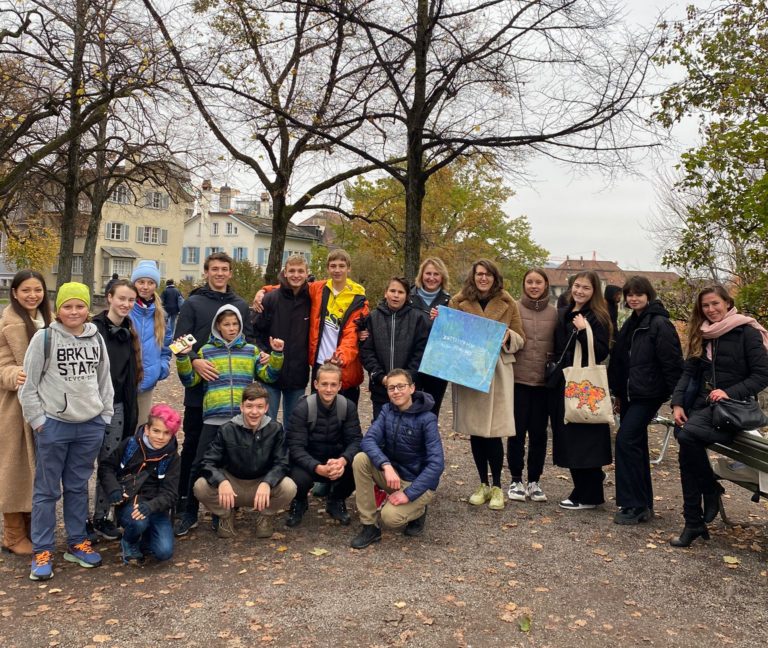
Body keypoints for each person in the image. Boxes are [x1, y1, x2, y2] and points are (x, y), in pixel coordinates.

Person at [20, 282, 114, 581]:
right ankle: (43, 550)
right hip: (54, 426)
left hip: (89, 425)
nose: (74, 311)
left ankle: (77, 541)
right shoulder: (44, 339)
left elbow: (104, 380)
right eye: (68, 306)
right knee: (46, 491)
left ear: (88, 309)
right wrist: (38, 421)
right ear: (58, 309)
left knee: (76, 487)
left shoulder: (95, 338)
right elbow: (29, 385)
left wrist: (104, 415)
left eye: (80, 306)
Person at [669, 284, 768, 547]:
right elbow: (689, 372)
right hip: (705, 408)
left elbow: (761, 375)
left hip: (734, 410)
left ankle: (709, 492)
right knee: (686, 449)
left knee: (688, 436)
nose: (711, 310)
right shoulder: (703, 333)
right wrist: (677, 403)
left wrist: (728, 392)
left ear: (727, 302)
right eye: (705, 306)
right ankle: (693, 522)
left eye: (715, 304)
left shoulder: (747, 332)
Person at [173, 305, 284, 536]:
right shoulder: (206, 351)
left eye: (235, 324)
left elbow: (268, 375)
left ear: (241, 325)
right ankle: (189, 513)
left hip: (241, 421)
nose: (231, 328)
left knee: (227, 465)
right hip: (214, 417)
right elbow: (189, 380)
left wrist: (277, 355)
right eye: (226, 324)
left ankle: (221, 514)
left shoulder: (251, 351)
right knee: (198, 465)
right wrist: (184, 358)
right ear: (218, 326)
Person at [174, 252, 255, 512]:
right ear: (206, 272)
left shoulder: (240, 305)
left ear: (230, 273)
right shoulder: (193, 303)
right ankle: (185, 502)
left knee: (232, 446)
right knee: (195, 446)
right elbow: (178, 342)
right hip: (199, 387)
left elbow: (249, 339)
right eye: (215, 269)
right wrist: (195, 359)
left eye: (224, 269)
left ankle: (229, 502)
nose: (220, 273)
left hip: (228, 391)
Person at [449, 259, 525, 511]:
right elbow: (451, 334)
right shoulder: (458, 302)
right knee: (475, 431)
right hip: (470, 371)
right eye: (479, 274)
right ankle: (482, 482)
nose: (483, 278)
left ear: (495, 278)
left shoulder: (508, 302)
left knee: (492, 433)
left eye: (488, 274)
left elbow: (520, 337)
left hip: (496, 371)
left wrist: (508, 337)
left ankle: (498, 486)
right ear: (473, 276)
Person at [608, 276, 683, 525]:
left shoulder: (659, 323)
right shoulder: (632, 323)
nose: (633, 298)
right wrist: (618, 393)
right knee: (636, 445)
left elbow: (672, 363)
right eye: (629, 294)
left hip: (649, 393)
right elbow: (621, 362)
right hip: (630, 394)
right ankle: (642, 504)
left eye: (638, 293)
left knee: (626, 441)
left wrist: (677, 401)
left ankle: (633, 504)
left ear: (648, 295)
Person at [254, 249, 368, 404]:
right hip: (319, 363)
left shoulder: (358, 298)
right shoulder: (319, 289)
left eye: (341, 266)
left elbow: (352, 335)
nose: (337, 270)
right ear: (327, 268)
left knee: (345, 417)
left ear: (349, 268)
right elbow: (291, 287)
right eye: (333, 266)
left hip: (344, 366)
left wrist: (340, 357)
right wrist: (263, 291)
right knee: (317, 417)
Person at [350, 369, 444, 549]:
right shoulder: (387, 411)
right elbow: (368, 440)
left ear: (412, 388)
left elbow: (436, 464)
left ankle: (418, 511)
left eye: (401, 386)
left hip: (417, 483)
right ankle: (369, 526)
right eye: (391, 387)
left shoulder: (427, 419)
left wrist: (408, 494)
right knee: (361, 459)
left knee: (390, 518)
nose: (396, 391)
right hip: (393, 475)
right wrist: (385, 465)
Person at [193, 383, 297, 539]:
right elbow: (207, 462)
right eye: (249, 406)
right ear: (241, 407)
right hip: (233, 485)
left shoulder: (275, 429)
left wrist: (267, 482)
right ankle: (226, 515)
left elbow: (282, 463)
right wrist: (221, 481)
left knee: (289, 487)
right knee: (200, 486)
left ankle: (265, 516)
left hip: (261, 485)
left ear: (266, 408)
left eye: (259, 407)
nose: (254, 412)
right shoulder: (227, 429)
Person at [0, 270, 53, 555]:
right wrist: (14, 374)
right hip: (14, 409)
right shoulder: (6, 324)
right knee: (15, 471)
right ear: (15, 292)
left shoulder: (50, 321)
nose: (33, 295)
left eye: (38, 290)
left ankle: (34, 526)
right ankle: (12, 533)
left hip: (47, 404)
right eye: (26, 290)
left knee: (40, 469)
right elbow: (1, 366)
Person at [551, 270, 613, 511]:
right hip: (566, 382)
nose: (580, 291)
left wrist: (584, 330)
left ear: (594, 292)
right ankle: (586, 487)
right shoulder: (566, 312)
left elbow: (601, 351)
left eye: (586, 288)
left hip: (584, 386)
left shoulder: (596, 316)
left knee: (584, 440)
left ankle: (588, 494)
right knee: (569, 438)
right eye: (577, 286)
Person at [91, 280, 143, 540]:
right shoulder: (93, 329)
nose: (126, 304)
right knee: (81, 467)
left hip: (119, 406)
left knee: (110, 463)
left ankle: (101, 517)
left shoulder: (129, 329)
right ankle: (80, 522)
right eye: (121, 298)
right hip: (91, 406)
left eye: (131, 300)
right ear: (109, 297)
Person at [98, 404, 181, 565]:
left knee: (164, 552)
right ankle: (129, 541)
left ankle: (146, 536)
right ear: (148, 429)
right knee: (138, 522)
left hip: (155, 507)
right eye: (156, 431)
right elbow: (106, 467)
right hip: (130, 501)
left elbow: (171, 494)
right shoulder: (130, 444)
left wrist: (151, 506)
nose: (160, 437)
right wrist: (114, 489)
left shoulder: (173, 458)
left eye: (166, 433)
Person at [284, 363, 362, 527]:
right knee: (296, 476)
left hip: (335, 461)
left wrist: (342, 461)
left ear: (340, 386)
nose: (328, 389)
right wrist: (317, 467)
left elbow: (355, 440)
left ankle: (336, 499)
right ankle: (299, 501)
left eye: (333, 384)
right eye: (324, 384)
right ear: (316, 384)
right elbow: (295, 447)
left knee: (359, 464)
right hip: (309, 462)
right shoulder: (303, 408)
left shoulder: (348, 406)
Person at [507, 268, 558, 504]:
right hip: (517, 380)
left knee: (539, 434)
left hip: (543, 383)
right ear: (524, 284)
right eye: (530, 282)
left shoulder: (556, 313)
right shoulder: (513, 309)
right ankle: (516, 479)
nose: (534, 286)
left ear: (546, 285)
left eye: (539, 282)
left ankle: (534, 480)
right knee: (516, 432)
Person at [360, 277, 430, 420]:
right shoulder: (373, 318)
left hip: (408, 390)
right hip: (381, 389)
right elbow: (367, 352)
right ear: (386, 293)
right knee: (381, 431)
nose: (396, 295)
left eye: (400, 292)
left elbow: (421, 352)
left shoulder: (417, 319)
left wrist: (405, 380)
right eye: (392, 291)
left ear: (407, 296)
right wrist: (381, 377)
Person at [253, 255, 312, 423]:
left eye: (300, 271)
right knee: (267, 422)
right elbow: (255, 331)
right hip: (270, 369)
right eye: (292, 271)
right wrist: (262, 352)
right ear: (285, 273)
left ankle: (289, 451)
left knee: (293, 424)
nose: (296, 275)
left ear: (307, 274)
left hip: (297, 372)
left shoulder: (311, 299)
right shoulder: (271, 299)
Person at [130, 260, 171, 427]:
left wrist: (162, 367)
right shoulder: (126, 310)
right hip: (124, 380)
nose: (145, 287)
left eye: (150, 282)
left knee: (140, 428)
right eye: (141, 282)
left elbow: (166, 347)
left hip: (147, 381)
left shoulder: (161, 315)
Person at [409, 257, 452, 416]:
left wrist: (446, 320)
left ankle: (429, 440)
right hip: (411, 362)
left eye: (436, 274)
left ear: (442, 277)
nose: (431, 278)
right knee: (409, 408)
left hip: (438, 366)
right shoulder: (407, 297)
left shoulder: (450, 302)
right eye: (428, 273)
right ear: (421, 275)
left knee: (431, 411)